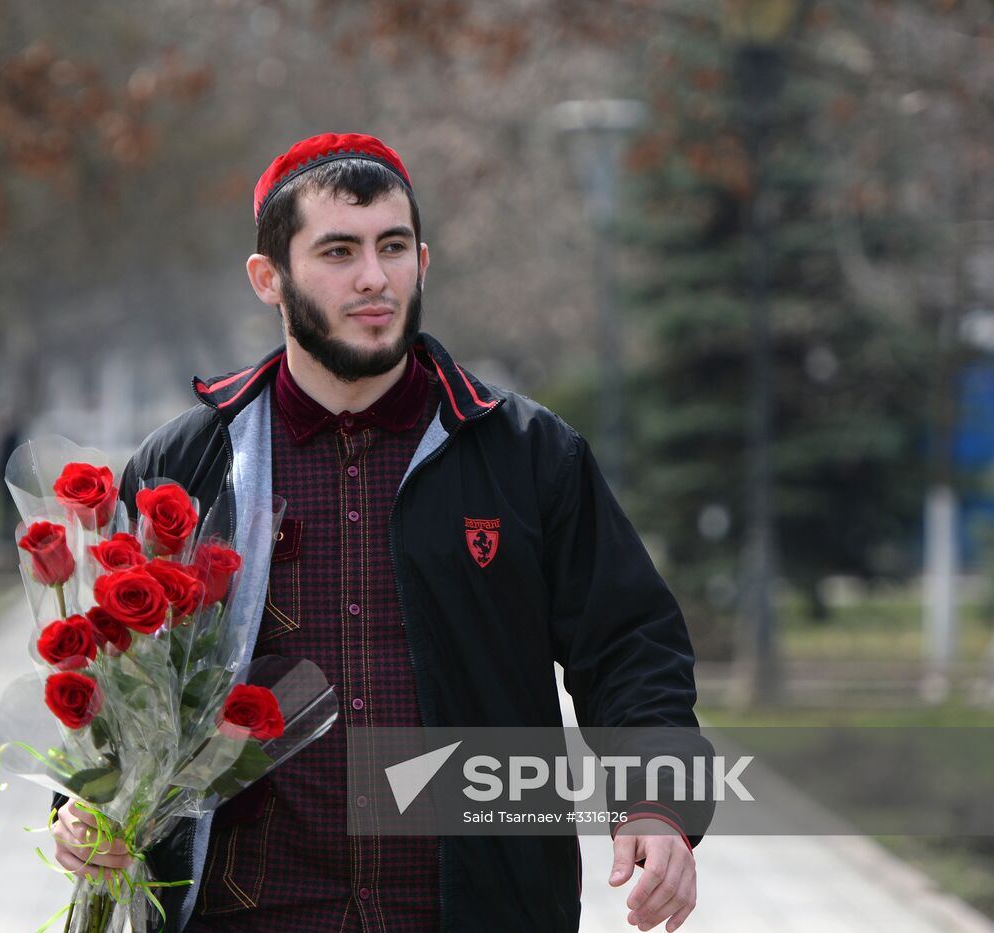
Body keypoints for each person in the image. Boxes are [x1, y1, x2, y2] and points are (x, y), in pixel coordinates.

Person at [51, 132, 708, 932]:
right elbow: (117, 680)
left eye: (392, 247)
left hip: (477, 909)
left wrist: (658, 803)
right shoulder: (189, 464)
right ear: (270, 278)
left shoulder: (529, 455)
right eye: (338, 251)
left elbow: (630, 642)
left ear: (422, 261)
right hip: (249, 914)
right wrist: (84, 807)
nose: (374, 278)